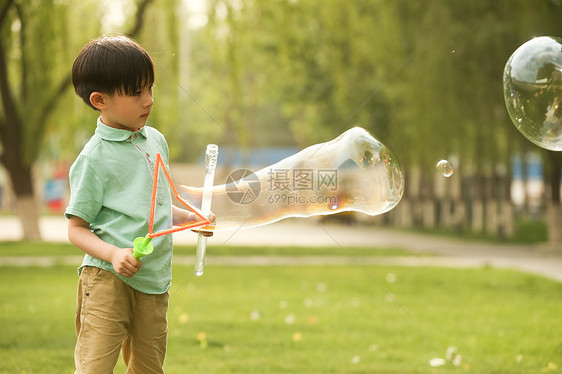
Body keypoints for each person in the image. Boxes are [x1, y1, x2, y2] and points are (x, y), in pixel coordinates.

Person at [66, 35, 209, 373]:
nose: (149, 100)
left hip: (153, 280)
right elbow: (76, 229)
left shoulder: (156, 140)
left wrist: (192, 217)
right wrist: (114, 254)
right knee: (95, 367)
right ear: (99, 100)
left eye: (150, 89)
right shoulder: (94, 157)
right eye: (135, 92)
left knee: (148, 368)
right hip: (106, 279)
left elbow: (155, 208)